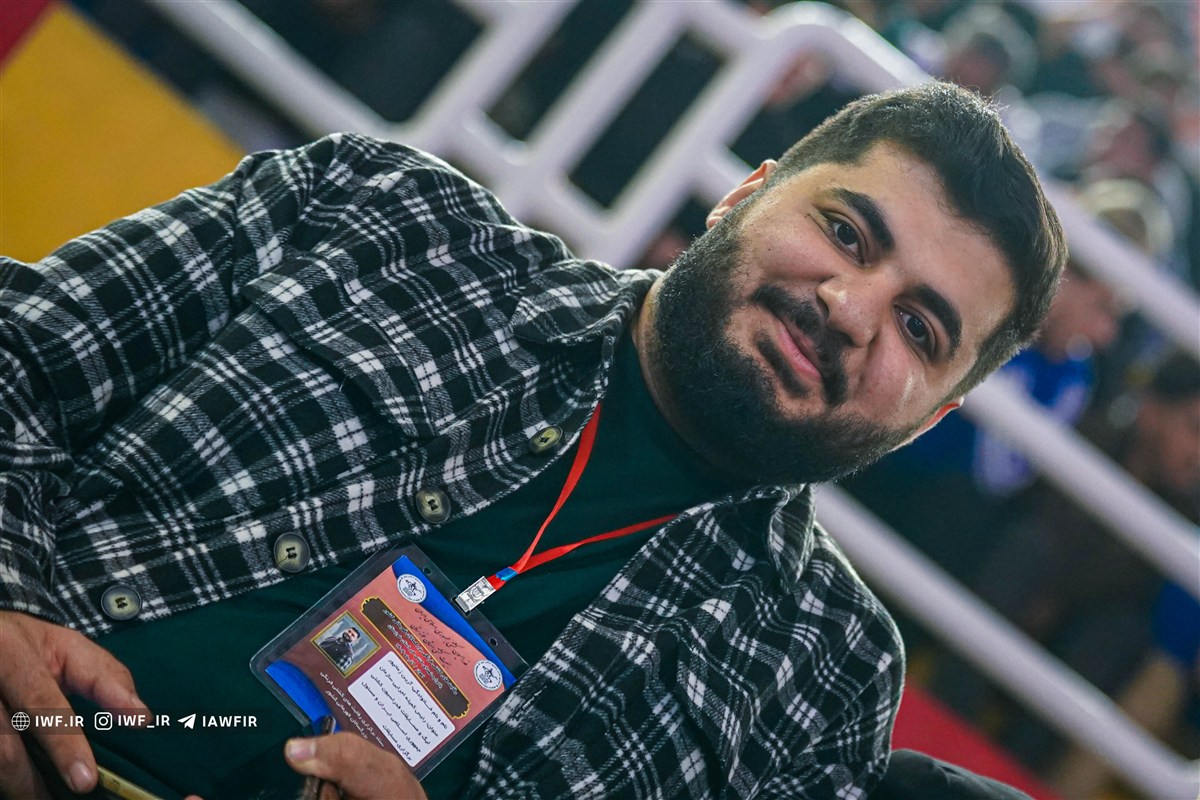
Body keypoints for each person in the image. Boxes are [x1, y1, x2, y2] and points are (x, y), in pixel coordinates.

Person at [0, 82, 1065, 799]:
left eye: (920, 328)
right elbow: (23, 356)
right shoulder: (382, 218)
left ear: (930, 417)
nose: (849, 307)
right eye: (844, 231)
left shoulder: (823, 676)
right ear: (745, 194)